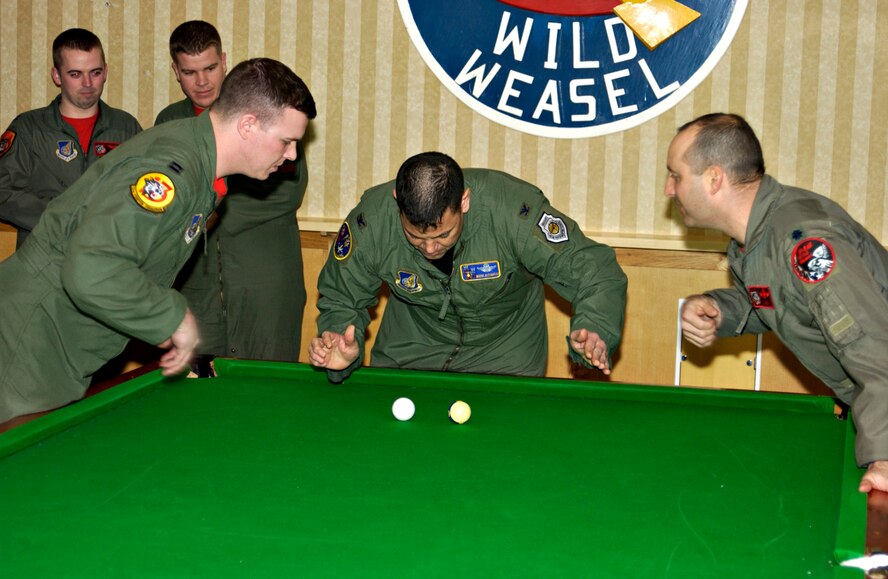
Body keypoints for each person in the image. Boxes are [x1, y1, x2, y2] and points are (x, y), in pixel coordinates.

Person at [0, 58, 317, 423]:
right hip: (26, 343)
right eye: (286, 141)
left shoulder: (198, 162)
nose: (291, 154)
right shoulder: (172, 170)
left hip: (52, 345)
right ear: (248, 124)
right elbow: (92, 268)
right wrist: (173, 316)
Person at [666, 112, 888, 493]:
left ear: (714, 179)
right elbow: (777, 299)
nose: (670, 189)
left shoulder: (805, 242)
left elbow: (876, 352)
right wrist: (720, 309)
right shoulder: (759, 235)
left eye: (676, 175)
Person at [309, 151, 627, 383]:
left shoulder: (513, 212)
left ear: (464, 201)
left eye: (443, 234)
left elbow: (595, 271)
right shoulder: (372, 221)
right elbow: (341, 295)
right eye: (415, 237)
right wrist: (338, 340)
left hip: (505, 351)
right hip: (410, 348)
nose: (431, 248)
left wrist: (595, 327)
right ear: (396, 202)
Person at [155, 21, 310, 374]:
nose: (202, 81)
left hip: (265, 280)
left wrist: (206, 211)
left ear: (224, 61)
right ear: (175, 71)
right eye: (190, 72)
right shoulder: (169, 122)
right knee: (196, 398)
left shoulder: (265, 111)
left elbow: (286, 192)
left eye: (210, 68)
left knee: (267, 389)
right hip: (195, 285)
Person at [0, 28, 142, 248]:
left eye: (95, 72)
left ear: (105, 72)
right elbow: (2, 191)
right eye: (75, 74)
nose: (87, 83)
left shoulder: (126, 128)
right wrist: (63, 216)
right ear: (56, 75)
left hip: (108, 259)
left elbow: (144, 190)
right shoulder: (29, 128)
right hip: (44, 261)